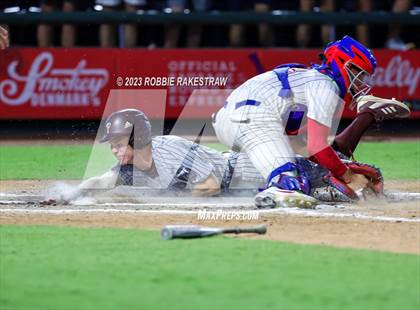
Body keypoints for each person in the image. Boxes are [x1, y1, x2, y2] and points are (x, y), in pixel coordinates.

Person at [212, 35, 410, 208]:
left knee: (302, 175)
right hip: (250, 117)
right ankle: (276, 189)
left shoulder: (311, 81)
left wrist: (336, 165)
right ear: (343, 65)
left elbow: (300, 144)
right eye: (359, 75)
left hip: (239, 120)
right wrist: (348, 175)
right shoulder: (325, 85)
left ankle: (241, 180)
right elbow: (316, 146)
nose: (361, 84)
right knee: (288, 184)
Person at [78, 109, 266, 197]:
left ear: (137, 138)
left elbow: (211, 186)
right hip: (236, 188)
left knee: (289, 185)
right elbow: (102, 181)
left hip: (250, 171)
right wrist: (72, 194)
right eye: (112, 146)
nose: (114, 151)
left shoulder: (170, 150)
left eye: (119, 144)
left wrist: (171, 197)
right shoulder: (131, 167)